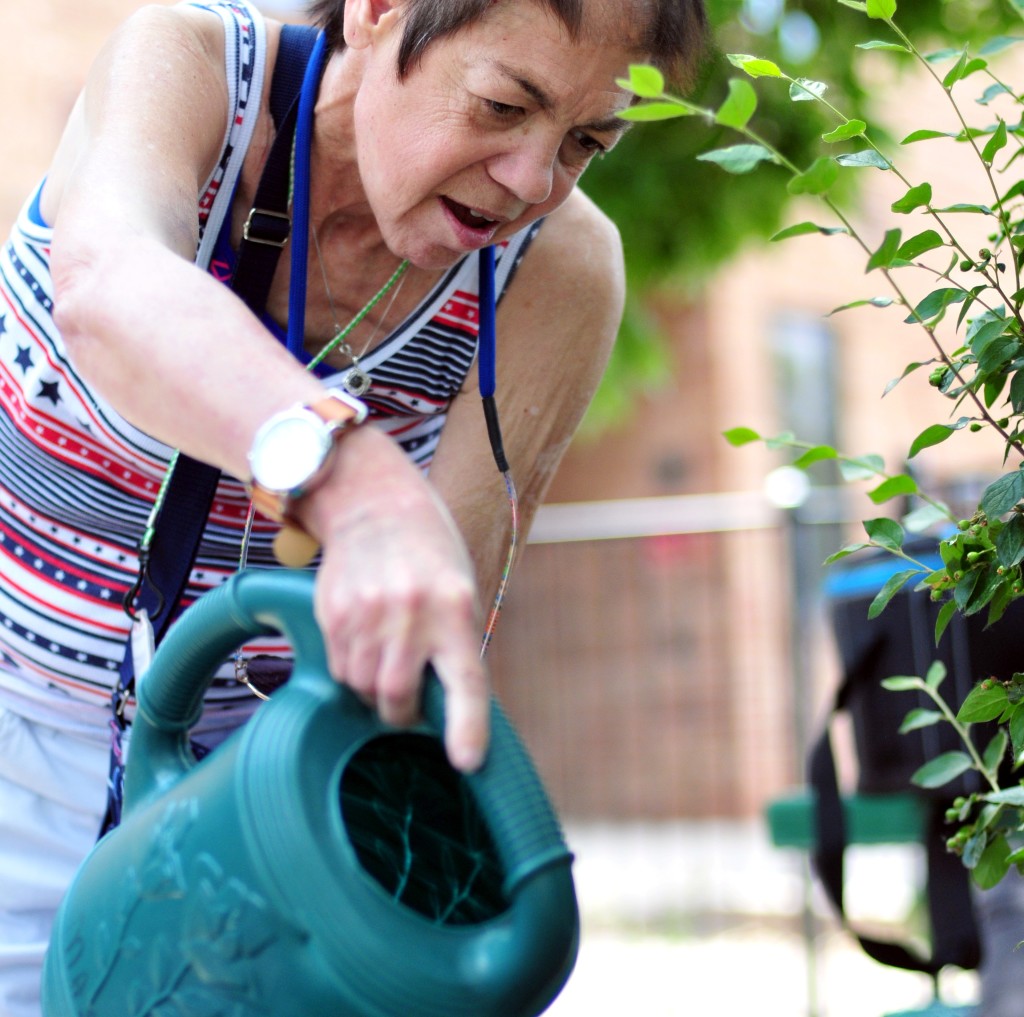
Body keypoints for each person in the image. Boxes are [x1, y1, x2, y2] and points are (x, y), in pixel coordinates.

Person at [0, 0, 707, 1012]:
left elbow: (418, 648)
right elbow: (109, 283)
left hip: (234, 822)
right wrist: (353, 478)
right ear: (379, 12)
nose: (533, 182)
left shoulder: (558, 272)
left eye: (586, 141)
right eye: (506, 105)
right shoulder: (192, 64)